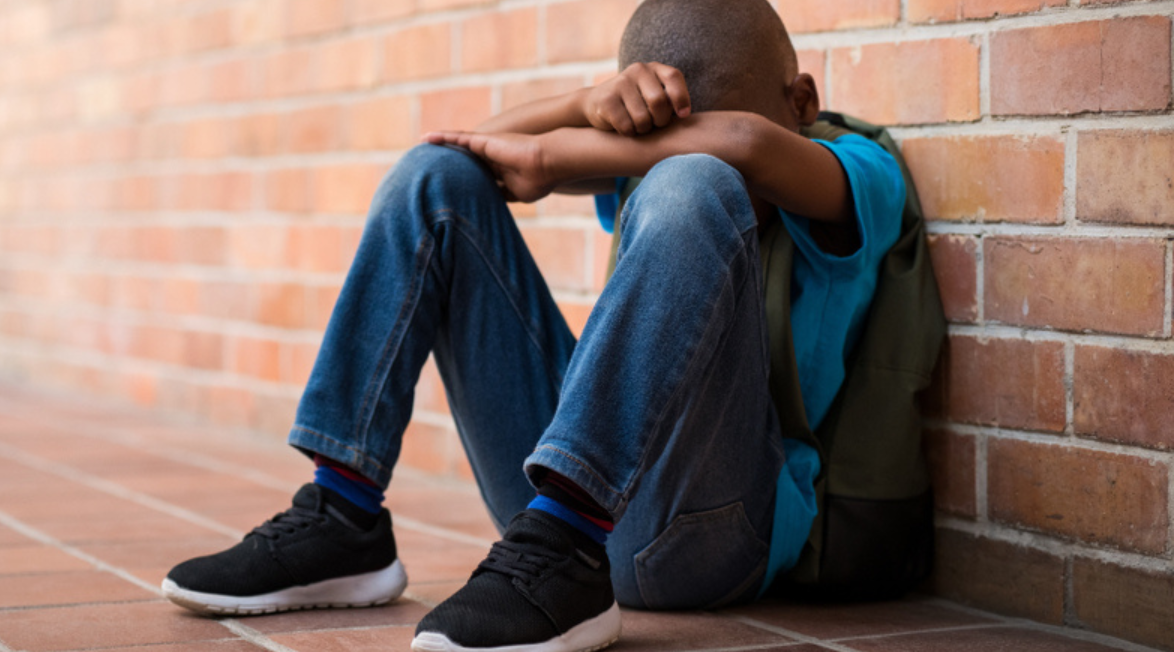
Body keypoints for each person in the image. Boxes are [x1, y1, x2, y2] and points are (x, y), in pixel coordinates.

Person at [162, 0, 907, 650]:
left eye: (667, 142)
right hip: (549, 518)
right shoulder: (649, 163)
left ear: (802, 99)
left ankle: (569, 549)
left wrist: (556, 155)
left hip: (716, 536)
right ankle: (344, 511)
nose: (658, 158)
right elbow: (470, 147)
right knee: (435, 179)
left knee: (697, 182)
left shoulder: (856, 172)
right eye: (657, 141)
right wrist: (590, 102)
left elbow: (743, 145)